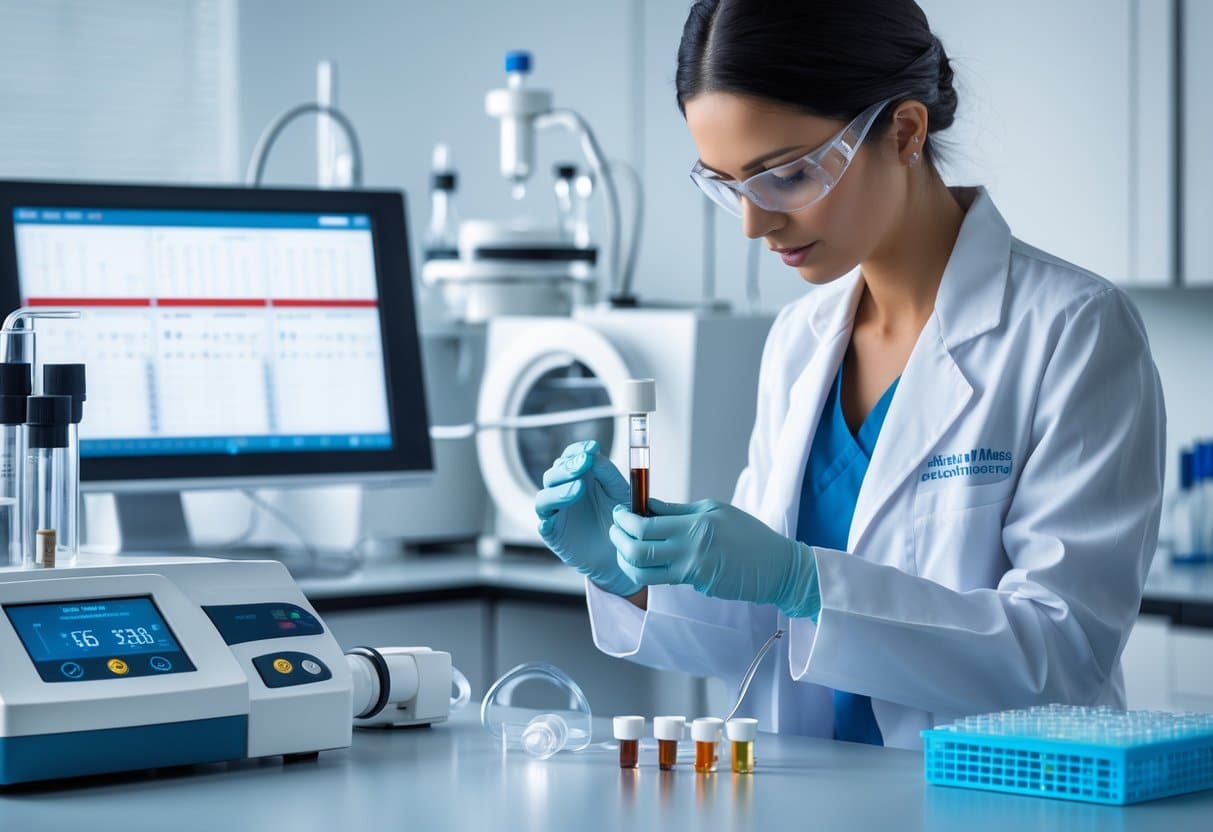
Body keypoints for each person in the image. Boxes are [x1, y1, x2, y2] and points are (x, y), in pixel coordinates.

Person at [534, 0, 1165, 750]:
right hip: (812, 797)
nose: (753, 223)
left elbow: (1058, 656)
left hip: (992, 801)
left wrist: (804, 578)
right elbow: (759, 634)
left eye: (787, 174)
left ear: (903, 132)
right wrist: (635, 575)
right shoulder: (800, 341)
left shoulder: (1072, 330)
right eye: (727, 183)